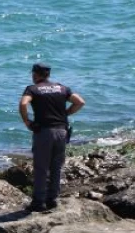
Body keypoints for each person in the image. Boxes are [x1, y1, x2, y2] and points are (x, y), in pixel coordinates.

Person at [18, 63, 85, 212]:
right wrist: (65, 114)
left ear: (36, 74)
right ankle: (53, 199)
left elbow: (23, 104)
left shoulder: (33, 89)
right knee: (56, 166)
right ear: (48, 75)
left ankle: (38, 202)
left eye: (33, 74)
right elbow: (80, 102)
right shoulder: (62, 88)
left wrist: (27, 121)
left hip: (44, 132)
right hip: (62, 131)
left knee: (41, 167)